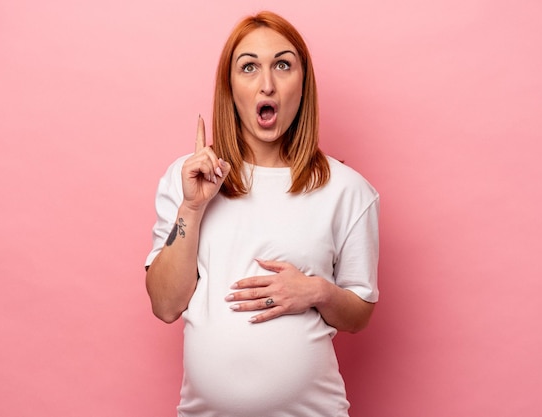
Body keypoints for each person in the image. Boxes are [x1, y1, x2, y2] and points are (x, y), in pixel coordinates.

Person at [145, 10, 379, 417]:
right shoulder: (188, 179)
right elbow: (165, 305)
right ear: (229, 86)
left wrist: (318, 291)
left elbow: (359, 314)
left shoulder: (348, 190)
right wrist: (193, 206)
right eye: (249, 67)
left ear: (303, 85)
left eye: (283, 65)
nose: (267, 84)